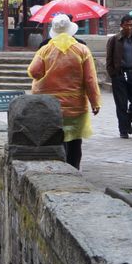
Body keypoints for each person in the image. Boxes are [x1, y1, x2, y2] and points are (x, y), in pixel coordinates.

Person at [28, 14, 101, 169]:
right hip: (76, 105)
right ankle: (73, 168)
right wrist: (95, 102)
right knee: (75, 140)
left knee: (55, 137)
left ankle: (58, 168)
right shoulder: (82, 50)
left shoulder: (45, 49)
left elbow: (34, 71)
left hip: (49, 105)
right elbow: (90, 79)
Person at [106, 14, 132, 138]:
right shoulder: (114, 40)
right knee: (121, 104)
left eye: (131, 25)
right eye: (126, 25)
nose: (129, 27)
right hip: (119, 75)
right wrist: (113, 74)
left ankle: (127, 121)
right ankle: (123, 130)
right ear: (121, 26)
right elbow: (109, 60)